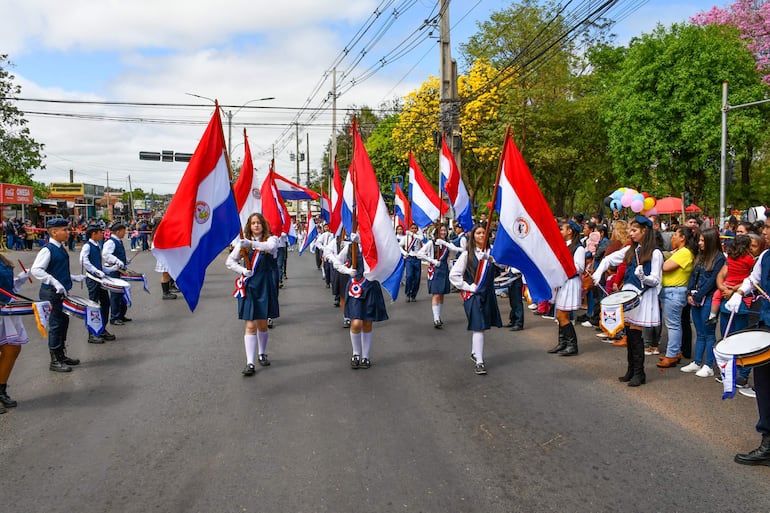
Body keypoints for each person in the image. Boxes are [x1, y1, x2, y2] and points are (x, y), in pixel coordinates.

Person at [592, 216, 663, 387]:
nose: (630, 234)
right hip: (629, 296)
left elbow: (656, 279)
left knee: (636, 335)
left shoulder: (655, 253)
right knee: (630, 335)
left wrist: (643, 277)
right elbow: (609, 259)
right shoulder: (631, 250)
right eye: (630, 230)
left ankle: (639, 373)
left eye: (634, 230)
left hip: (643, 296)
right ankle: (631, 370)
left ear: (644, 231)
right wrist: (598, 272)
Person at [725, 215, 770, 466]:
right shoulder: (765, 256)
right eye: (765, 226)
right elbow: (754, 279)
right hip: (766, 328)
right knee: (764, 387)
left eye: (769, 227)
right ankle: (768, 442)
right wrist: (740, 292)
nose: (764, 232)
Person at [226, 213, 280, 376]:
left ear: (263, 225)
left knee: (262, 323)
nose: (256, 225)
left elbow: (270, 248)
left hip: (265, 284)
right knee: (250, 324)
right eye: (253, 223)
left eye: (258, 223)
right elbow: (229, 262)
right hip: (250, 286)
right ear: (249, 226)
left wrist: (250, 243)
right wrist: (243, 270)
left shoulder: (271, 240)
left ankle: (262, 353)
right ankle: (250, 362)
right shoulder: (243, 244)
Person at [30, 218, 87, 372]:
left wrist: (72, 277)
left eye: (68, 229)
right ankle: (54, 360)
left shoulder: (60, 247)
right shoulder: (47, 249)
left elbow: (58, 269)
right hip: (51, 293)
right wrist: (54, 282)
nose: (68, 232)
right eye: (64, 230)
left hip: (61, 292)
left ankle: (61, 354)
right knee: (55, 325)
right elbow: (36, 270)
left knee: (63, 322)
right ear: (54, 232)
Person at [449, 224, 502, 375]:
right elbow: (453, 275)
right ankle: (480, 362)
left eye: (484, 233)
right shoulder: (467, 255)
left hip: (488, 294)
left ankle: (474, 352)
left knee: (483, 325)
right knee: (478, 325)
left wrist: (491, 258)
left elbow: (503, 266)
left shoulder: (491, 252)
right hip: (473, 295)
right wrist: (468, 287)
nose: (481, 235)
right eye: (478, 233)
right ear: (473, 236)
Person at [331, 233, 388, 369]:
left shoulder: (375, 247)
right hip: (355, 287)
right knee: (356, 323)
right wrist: (347, 270)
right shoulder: (351, 247)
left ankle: (365, 356)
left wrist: (362, 240)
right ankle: (356, 353)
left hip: (370, 286)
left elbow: (383, 261)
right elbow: (336, 261)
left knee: (367, 322)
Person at [681, 228, 725, 377]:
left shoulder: (719, 258)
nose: (699, 243)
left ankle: (709, 365)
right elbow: (692, 276)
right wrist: (689, 293)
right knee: (699, 332)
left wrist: (698, 295)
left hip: (709, 300)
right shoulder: (700, 257)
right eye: (699, 240)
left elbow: (713, 280)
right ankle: (697, 361)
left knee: (709, 333)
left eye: (702, 240)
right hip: (696, 299)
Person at [657, 226, 698, 369]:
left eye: (675, 234)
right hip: (671, 292)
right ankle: (674, 351)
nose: (672, 237)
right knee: (674, 324)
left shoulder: (685, 252)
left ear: (683, 238)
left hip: (674, 292)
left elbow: (665, 267)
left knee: (673, 325)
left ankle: (672, 354)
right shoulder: (680, 252)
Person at [547, 219, 585, 356]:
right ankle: (563, 343)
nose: (559, 231)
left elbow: (580, 267)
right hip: (562, 282)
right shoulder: (563, 245)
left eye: (562, 229)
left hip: (570, 282)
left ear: (570, 231)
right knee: (560, 314)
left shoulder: (578, 248)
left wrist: (563, 265)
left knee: (562, 315)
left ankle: (572, 344)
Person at [0, 254, 32, 411]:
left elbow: (8, 288)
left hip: (6, 310)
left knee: (12, 348)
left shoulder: (2, 260)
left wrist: (20, 279)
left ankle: (1, 390)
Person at [416, 223, 461, 328]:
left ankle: (439, 315)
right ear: (437, 232)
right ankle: (436, 318)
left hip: (444, 269)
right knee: (436, 293)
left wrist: (446, 244)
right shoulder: (431, 243)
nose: (443, 232)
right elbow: (420, 254)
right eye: (441, 230)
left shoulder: (447, 243)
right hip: (435, 269)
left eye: (445, 230)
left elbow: (456, 250)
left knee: (442, 293)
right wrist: (432, 260)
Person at [79, 225, 116, 344]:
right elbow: (84, 260)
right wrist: (95, 271)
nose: (102, 235)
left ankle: (102, 329)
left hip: (100, 279)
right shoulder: (87, 246)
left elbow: (97, 263)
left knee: (105, 303)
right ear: (94, 234)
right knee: (93, 306)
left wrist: (107, 269)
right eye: (100, 233)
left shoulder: (96, 245)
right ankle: (92, 333)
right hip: (93, 279)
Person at [102, 223, 130, 325]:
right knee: (115, 294)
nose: (125, 233)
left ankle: (121, 315)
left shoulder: (118, 241)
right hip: (114, 271)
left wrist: (125, 260)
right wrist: (117, 261)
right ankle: (114, 317)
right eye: (123, 231)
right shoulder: (111, 242)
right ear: (118, 231)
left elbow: (117, 254)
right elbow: (106, 254)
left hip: (121, 270)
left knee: (122, 293)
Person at [401, 223, 424, 302]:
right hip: (409, 259)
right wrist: (404, 253)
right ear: (410, 229)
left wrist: (412, 234)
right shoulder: (406, 237)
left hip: (417, 259)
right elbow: (399, 245)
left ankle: (413, 294)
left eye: (415, 228)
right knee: (409, 276)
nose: (413, 230)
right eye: (412, 228)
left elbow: (421, 239)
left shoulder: (418, 237)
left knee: (417, 278)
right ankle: (407, 293)